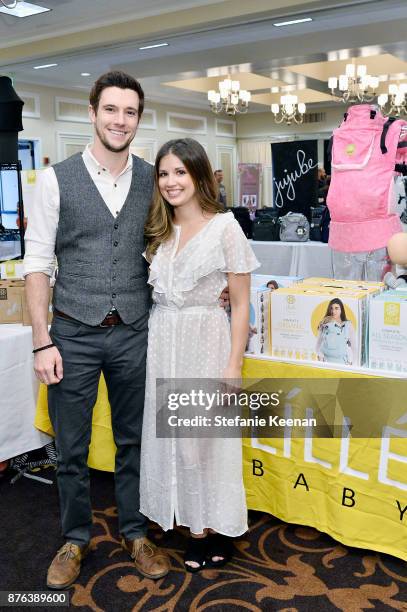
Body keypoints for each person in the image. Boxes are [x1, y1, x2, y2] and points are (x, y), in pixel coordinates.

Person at [23, 71, 170, 589]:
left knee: (134, 440)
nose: (120, 120)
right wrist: (42, 340)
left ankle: (135, 532)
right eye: (111, 109)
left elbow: (170, 244)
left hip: (134, 329)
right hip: (73, 333)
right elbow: (37, 262)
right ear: (92, 113)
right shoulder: (56, 179)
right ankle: (75, 538)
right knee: (73, 445)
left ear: (138, 118)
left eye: (130, 112)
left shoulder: (154, 178)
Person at [140, 138, 259, 572]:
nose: (171, 182)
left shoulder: (226, 227)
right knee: (174, 438)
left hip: (206, 339)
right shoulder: (157, 229)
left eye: (180, 173)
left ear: (199, 176)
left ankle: (218, 528)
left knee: (204, 442)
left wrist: (233, 363)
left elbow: (242, 303)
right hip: (164, 339)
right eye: (164, 173)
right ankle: (192, 526)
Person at [316, 298, 356, 365]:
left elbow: (354, 348)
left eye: (336, 308)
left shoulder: (348, 325)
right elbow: (317, 347)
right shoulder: (324, 323)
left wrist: (352, 364)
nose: (333, 311)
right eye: (331, 308)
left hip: (342, 364)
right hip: (326, 363)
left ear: (341, 310)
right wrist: (320, 356)